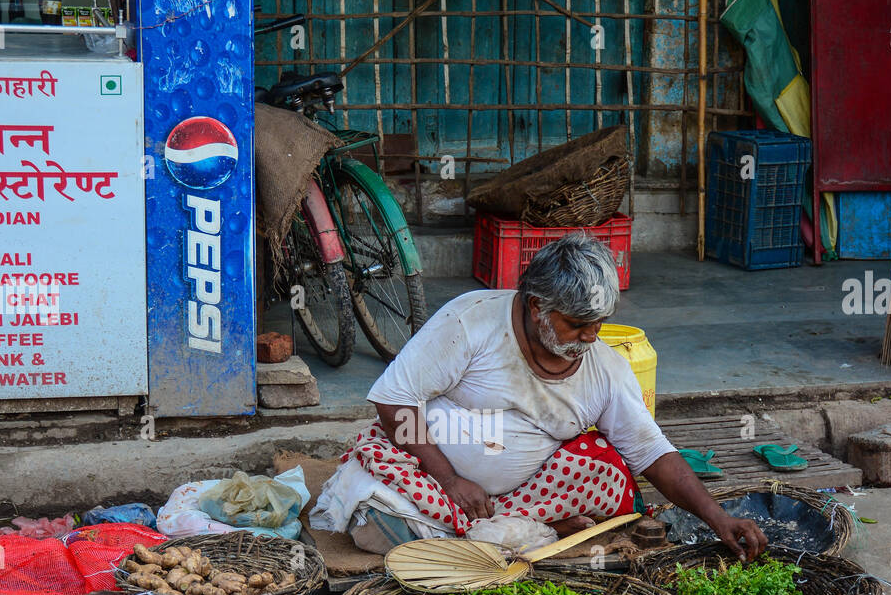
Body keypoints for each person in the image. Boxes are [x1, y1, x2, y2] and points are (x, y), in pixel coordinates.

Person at [311, 233, 768, 560]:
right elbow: (394, 401)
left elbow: (651, 452)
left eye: (598, 324)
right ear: (536, 306)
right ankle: (510, 535)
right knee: (373, 513)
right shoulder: (471, 320)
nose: (591, 337)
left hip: (525, 494)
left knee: (607, 471)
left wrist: (717, 517)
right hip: (434, 477)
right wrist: (450, 480)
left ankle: (509, 530)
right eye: (577, 324)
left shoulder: (605, 368)